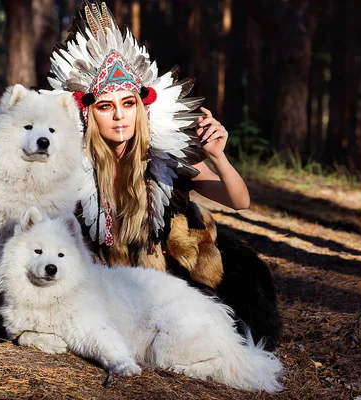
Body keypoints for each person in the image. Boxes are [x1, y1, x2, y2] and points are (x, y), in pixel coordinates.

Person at [49, 0, 281, 349]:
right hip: (111, 280)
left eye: (129, 104)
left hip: (174, 272)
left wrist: (218, 156)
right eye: (105, 106)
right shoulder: (70, 166)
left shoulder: (163, 157)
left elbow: (240, 200)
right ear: (87, 114)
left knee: (240, 322)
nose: (119, 117)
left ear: (142, 107)